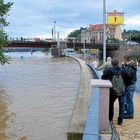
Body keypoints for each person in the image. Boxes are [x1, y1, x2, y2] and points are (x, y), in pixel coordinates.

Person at [101, 58, 127, 125]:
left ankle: (110, 118)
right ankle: (120, 121)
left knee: (111, 104)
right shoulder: (123, 70)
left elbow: (102, 77)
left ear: (111, 64)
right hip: (122, 91)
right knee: (122, 106)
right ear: (118, 63)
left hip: (113, 91)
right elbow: (128, 79)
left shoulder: (109, 71)